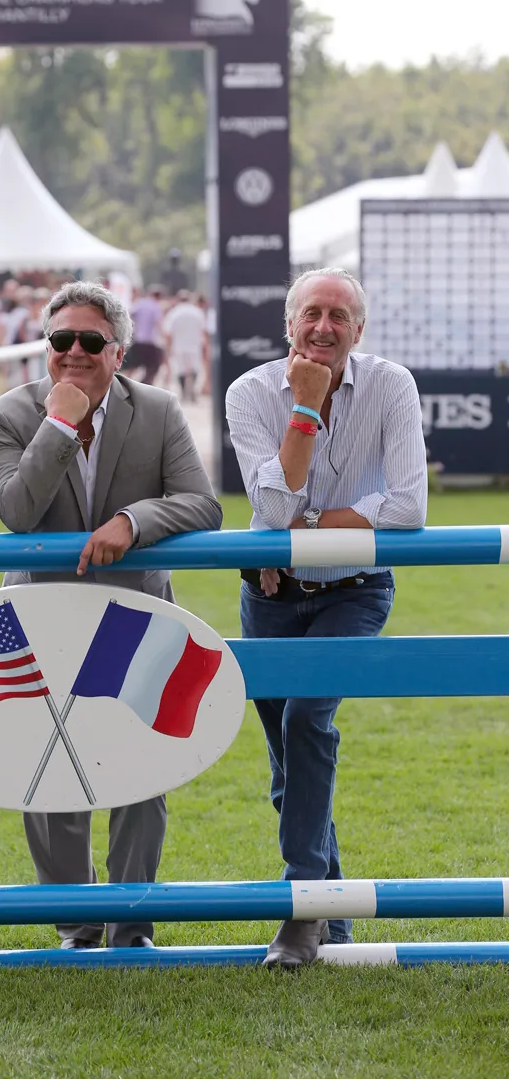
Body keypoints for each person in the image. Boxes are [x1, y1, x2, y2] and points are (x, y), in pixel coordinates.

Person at [0, 280, 222, 949]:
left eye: (91, 341)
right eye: (61, 340)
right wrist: (59, 423)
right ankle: (76, 923)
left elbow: (201, 504)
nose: (75, 352)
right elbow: (15, 510)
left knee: (141, 770)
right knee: (49, 771)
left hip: (134, 618)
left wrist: (131, 521)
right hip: (41, 616)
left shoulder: (160, 409)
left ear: (119, 351)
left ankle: (132, 922)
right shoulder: (7, 413)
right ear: (46, 348)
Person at [225, 267, 427, 968]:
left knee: (308, 718)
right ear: (289, 324)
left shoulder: (391, 384)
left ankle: (300, 907)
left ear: (359, 331)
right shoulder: (249, 393)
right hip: (271, 594)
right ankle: (331, 924)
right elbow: (274, 512)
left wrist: (307, 521)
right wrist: (305, 410)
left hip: (356, 588)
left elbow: (410, 508)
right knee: (289, 767)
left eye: (340, 316)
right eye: (312, 313)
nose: (324, 327)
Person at [163, 291, 207, 403]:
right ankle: (192, 390)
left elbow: (168, 332)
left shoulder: (174, 313)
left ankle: (183, 391)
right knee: (195, 369)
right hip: (194, 345)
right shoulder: (197, 312)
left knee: (180, 370)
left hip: (179, 346)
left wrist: (168, 347)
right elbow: (204, 330)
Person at [126, 286, 164, 385]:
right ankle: (148, 383)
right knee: (152, 366)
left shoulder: (140, 303)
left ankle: (124, 382)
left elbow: (129, 314)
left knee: (133, 365)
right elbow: (159, 323)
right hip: (150, 342)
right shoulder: (156, 306)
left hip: (139, 340)